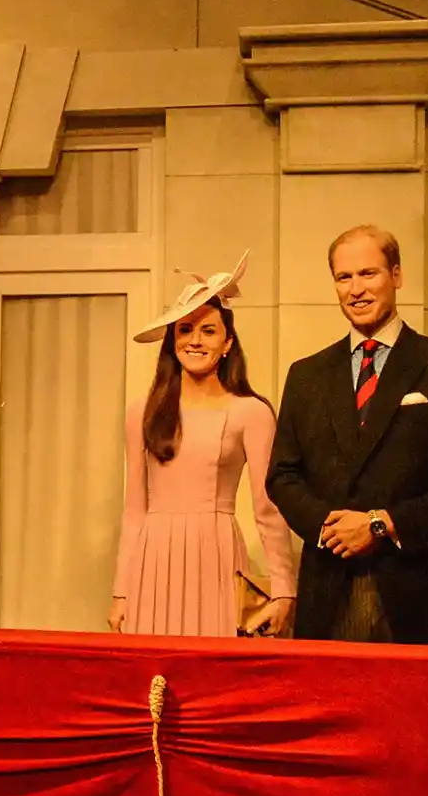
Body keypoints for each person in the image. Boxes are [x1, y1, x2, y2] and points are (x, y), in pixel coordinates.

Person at [266, 225, 428, 645]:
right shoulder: (306, 376)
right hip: (327, 590)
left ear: (397, 275)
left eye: (368, 273)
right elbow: (282, 475)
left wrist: (381, 524)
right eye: (344, 277)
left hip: (415, 596)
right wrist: (330, 528)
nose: (356, 289)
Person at [109, 253, 297, 637]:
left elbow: (268, 507)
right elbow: (134, 510)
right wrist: (122, 591)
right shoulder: (142, 411)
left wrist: (283, 588)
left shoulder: (251, 412)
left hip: (217, 557)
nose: (195, 340)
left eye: (208, 331)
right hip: (153, 561)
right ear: (172, 341)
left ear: (227, 343)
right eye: (185, 329)